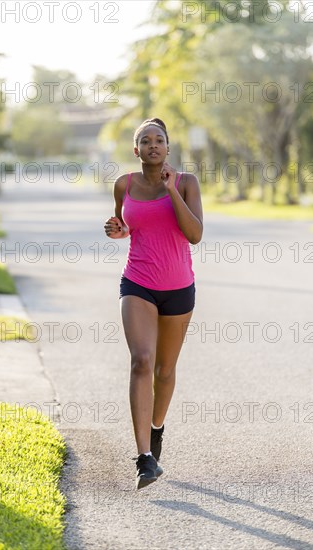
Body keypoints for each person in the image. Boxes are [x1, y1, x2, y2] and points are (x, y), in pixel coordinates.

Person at [104, 118, 203, 490]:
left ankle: (156, 428)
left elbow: (194, 235)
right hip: (138, 283)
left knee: (164, 370)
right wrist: (118, 230)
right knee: (141, 361)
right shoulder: (124, 184)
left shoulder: (186, 183)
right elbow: (126, 224)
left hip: (179, 288)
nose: (152, 145)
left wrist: (170, 190)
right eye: (145, 140)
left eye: (158, 139)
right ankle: (144, 457)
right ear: (136, 150)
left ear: (167, 147)